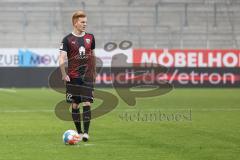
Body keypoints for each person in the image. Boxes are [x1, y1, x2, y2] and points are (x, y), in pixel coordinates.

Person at [59, 10, 96, 142]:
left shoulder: (90, 37)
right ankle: (79, 132)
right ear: (75, 23)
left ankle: (85, 133)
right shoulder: (67, 39)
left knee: (87, 102)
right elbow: (62, 58)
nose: (85, 24)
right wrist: (64, 74)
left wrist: (94, 71)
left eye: (86, 22)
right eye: (82, 22)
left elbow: (93, 55)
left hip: (87, 76)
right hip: (73, 77)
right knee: (75, 104)